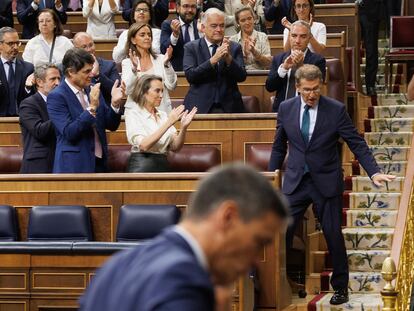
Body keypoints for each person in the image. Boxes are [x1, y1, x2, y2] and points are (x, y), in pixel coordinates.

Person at [79, 163, 289, 311]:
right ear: (228, 217)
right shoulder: (186, 281)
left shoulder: (115, 267)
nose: (255, 261)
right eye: (258, 242)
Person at [268, 64, 396, 305]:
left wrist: (374, 172)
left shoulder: (335, 110)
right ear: (297, 87)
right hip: (295, 181)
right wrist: (269, 177)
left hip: (325, 181)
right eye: (306, 90)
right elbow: (278, 146)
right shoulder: (285, 109)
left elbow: (356, 142)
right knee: (281, 230)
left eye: (316, 89)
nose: (312, 94)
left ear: (321, 86)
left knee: (332, 234)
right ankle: (280, 282)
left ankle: (340, 287)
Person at [47, 48, 125, 173]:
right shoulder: (57, 96)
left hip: (100, 162)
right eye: (87, 71)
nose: (92, 74)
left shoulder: (93, 89)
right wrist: (92, 108)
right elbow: (69, 132)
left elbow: (111, 125)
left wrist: (115, 104)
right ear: (71, 72)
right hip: (74, 165)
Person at [125, 74, 197, 172]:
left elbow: (175, 147)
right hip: (142, 166)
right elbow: (144, 146)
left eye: (162, 91)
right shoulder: (133, 113)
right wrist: (169, 122)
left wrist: (183, 128)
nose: (161, 95)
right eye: (157, 91)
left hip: (163, 164)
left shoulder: (163, 115)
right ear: (144, 92)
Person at [183, 8, 246, 113]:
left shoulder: (234, 48)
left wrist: (229, 59)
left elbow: (242, 76)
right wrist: (213, 60)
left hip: (230, 107)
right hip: (199, 106)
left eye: (222, 26)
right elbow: (191, 76)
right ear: (203, 28)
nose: (219, 29)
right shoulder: (191, 47)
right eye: (214, 26)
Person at [266, 20, 325, 112]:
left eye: (303, 36)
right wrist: (284, 68)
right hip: (281, 111)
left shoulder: (318, 60)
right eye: (294, 36)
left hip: (308, 109)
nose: (297, 41)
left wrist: (301, 67)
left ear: (309, 38)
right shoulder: (278, 58)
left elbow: (316, 88)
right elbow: (270, 87)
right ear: (289, 37)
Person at [122, 23, 177, 113]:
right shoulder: (127, 63)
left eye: (149, 35)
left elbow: (172, 85)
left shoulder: (162, 59)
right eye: (142, 35)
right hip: (136, 113)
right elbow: (128, 90)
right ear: (133, 40)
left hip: (161, 111)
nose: (147, 37)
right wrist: (134, 70)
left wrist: (166, 64)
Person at [19, 63, 60, 173]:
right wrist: (61, 114)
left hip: (61, 161)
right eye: (53, 79)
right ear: (39, 82)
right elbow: (39, 131)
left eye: (59, 79)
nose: (58, 83)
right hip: (38, 166)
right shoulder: (28, 104)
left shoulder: (61, 102)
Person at [73, 32, 120, 105]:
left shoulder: (109, 65)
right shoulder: (72, 69)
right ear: (76, 49)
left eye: (91, 45)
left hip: (105, 112)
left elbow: (116, 90)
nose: (89, 50)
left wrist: (98, 75)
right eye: (84, 47)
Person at [0, 27, 34, 116]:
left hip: (22, 118)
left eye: (17, 43)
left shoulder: (28, 68)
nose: (15, 47)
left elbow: (33, 98)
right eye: (10, 43)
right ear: (0, 45)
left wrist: (28, 88)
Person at [160, 0, 200, 71]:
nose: (190, 10)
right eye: (186, 6)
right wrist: (175, 35)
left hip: (198, 72)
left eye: (193, 6)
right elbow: (164, 51)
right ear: (178, 8)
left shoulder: (201, 26)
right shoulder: (168, 25)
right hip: (176, 73)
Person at [358, 0, 388, 96]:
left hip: (371, 9)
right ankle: (350, 82)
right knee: (349, 48)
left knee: (371, 50)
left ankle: (370, 85)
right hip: (349, 9)